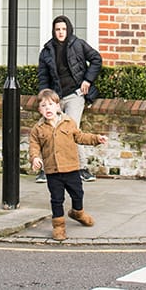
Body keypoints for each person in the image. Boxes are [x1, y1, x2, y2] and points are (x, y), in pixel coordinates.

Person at [29, 88, 107, 240]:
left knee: (78, 193)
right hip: (53, 171)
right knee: (57, 199)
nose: (48, 108)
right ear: (40, 110)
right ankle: (59, 227)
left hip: (71, 168)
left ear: (58, 106)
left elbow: (80, 137)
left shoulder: (68, 122)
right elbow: (34, 146)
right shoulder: (37, 129)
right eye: (44, 106)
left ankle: (78, 212)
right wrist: (35, 158)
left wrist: (97, 139)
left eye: (51, 104)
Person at [37, 15, 102, 183]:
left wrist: (87, 80)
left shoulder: (78, 44)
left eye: (63, 29)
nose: (61, 32)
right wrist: (45, 99)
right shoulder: (46, 51)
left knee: (71, 129)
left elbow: (96, 59)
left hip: (75, 94)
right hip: (55, 98)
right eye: (58, 29)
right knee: (48, 130)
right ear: (54, 31)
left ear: (69, 29)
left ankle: (81, 168)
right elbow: (43, 77)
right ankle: (45, 170)